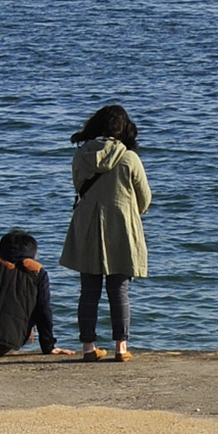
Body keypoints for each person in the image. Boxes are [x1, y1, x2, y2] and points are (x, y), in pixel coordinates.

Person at [59, 105, 151, 362]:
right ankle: (121, 348)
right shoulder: (130, 158)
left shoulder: (81, 156)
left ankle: (88, 348)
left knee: (88, 290)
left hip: (87, 225)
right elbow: (145, 199)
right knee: (119, 290)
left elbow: (79, 187)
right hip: (120, 228)